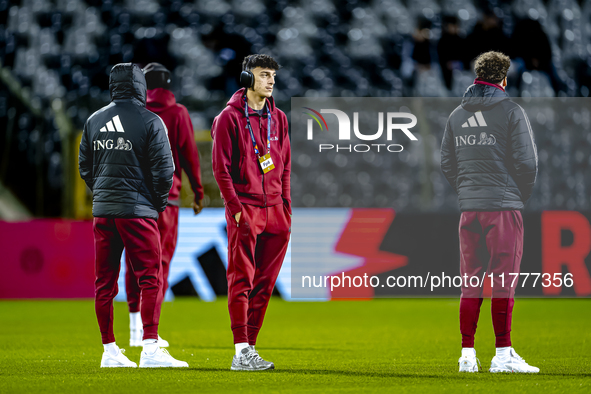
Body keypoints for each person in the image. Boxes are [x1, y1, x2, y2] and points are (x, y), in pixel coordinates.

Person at [79, 63, 188, 368]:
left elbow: (84, 167)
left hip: (103, 213)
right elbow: (166, 171)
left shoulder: (93, 120)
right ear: (140, 85)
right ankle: (150, 348)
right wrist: (155, 203)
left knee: (104, 282)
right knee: (151, 278)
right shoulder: (151, 121)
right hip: (138, 212)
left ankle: (109, 351)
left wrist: (102, 192)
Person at [440, 51, 539, 373]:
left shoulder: (457, 114)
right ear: (504, 78)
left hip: (469, 211)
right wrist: (515, 195)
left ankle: (467, 356)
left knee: (470, 283)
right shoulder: (511, 110)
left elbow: (446, 163)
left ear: (476, 77)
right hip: (503, 209)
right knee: (503, 283)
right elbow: (527, 163)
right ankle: (503, 354)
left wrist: (468, 193)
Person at [211, 54, 291, 371]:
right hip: (246, 208)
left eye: (273, 75)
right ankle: (240, 350)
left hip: (276, 212)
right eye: (263, 74)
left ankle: (251, 348)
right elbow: (221, 170)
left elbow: (284, 166)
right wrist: (236, 209)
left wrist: (285, 206)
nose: (270, 80)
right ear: (247, 79)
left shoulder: (280, 118)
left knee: (265, 284)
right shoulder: (228, 118)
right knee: (241, 279)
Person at [125, 63, 205, 348]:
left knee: (135, 263)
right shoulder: (178, 113)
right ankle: (151, 335)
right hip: (165, 201)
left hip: (132, 199)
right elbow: (189, 153)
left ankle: (135, 329)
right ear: (168, 85)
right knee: (159, 265)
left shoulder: (131, 112)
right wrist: (197, 190)